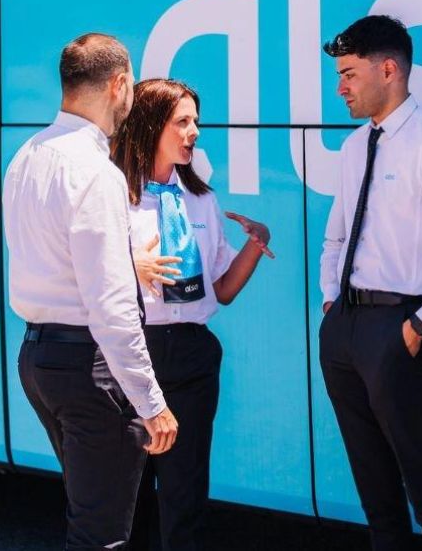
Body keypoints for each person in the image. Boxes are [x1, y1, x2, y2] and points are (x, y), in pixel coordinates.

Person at [3, 33, 179, 550]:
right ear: (120, 84)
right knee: (101, 534)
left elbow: (50, 257)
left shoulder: (27, 156)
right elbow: (112, 306)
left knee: (93, 513)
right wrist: (151, 403)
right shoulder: (95, 174)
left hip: (39, 360)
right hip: (90, 369)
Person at [318, 15, 422, 551]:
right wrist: (329, 306)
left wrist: (417, 326)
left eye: (348, 74)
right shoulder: (353, 147)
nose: (340, 87)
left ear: (388, 70)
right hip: (345, 329)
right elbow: (335, 239)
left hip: (399, 329)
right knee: (373, 488)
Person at [111, 78, 273, 551]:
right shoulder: (114, 195)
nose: (194, 131)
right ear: (148, 125)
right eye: (182, 121)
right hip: (131, 350)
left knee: (186, 494)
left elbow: (220, 291)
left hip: (192, 354)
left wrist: (254, 246)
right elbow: (80, 274)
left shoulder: (200, 198)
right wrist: (131, 266)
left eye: (195, 121)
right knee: (129, 494)